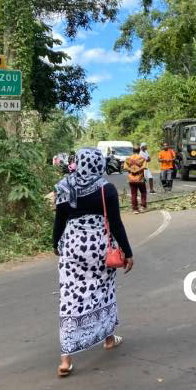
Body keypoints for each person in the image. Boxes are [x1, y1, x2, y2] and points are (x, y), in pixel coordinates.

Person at [53, 148, 134, 378]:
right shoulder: (105, 188)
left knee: (70, 296)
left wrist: (55, 243)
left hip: (72, 247)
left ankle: (66, 358)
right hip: (99, 247)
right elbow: (116, 223)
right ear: (98, 164)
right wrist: (127, 252)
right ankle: (108, 339)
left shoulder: (64, 187)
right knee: (103, 291)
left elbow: (59, 220)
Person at [123, 145, 147, 214]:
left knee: (133, 194)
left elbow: (125, 168)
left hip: (131, 179)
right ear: (139, 151)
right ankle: (143, 207)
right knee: (143, 192)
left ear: (132, 151)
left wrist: (131, 170)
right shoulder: (142, 158)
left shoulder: (128, 159)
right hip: (140, 179)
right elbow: (144, 167)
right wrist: (138, 170)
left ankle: (135, 209)